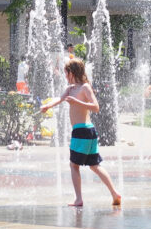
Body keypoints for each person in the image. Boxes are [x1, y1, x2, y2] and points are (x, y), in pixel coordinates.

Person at [40, 57, 121, 207]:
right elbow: (60, 99)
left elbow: (95, 107)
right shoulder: (70, 89)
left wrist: (77, 102)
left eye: (66, 73)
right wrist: (47, 106)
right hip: (88, 132)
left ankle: (78, 199)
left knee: (74, 165)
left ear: (72, 73)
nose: (65, 76)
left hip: (82, 131)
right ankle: (114, 193)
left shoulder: (85, 88)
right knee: (95, 165)